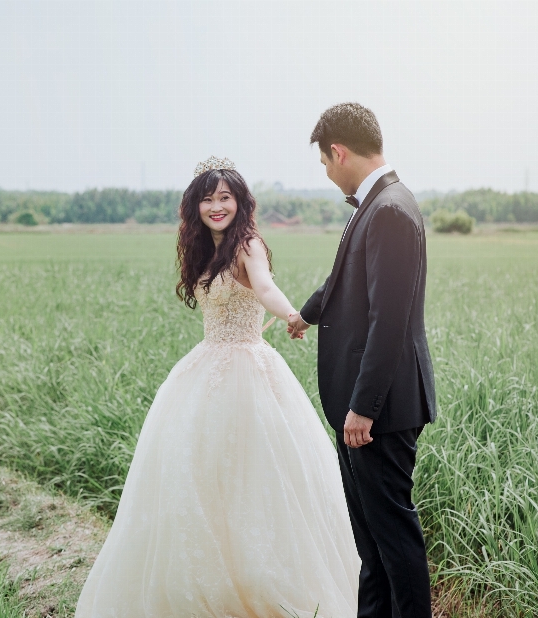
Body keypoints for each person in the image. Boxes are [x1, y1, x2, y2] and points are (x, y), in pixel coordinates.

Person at [75, 156, 360, 618]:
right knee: (198, 477)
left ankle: (262, 586)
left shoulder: (248, 244)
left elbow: (265, 287)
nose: (216, 206)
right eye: (207, 199)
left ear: (239, 202)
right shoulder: (204, 249)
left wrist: (291, 314)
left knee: (255, 478)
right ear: (196, 207)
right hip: (205, 368)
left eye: (225, 197)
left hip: (248, 372)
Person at [287, 103, 438, 618]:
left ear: (339, 151)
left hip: (380, 412)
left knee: (392, 541)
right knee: (370, 547)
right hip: (364, 409)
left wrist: (364, 408)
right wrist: (306, 315)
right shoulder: (376, 204)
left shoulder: (390, 209)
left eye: (325, 163)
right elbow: (344, 282)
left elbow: (388, 321)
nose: (327, 174)